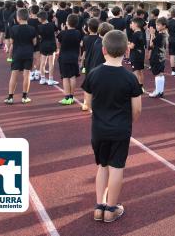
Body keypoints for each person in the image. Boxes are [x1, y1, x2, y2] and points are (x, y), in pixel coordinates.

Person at [81, 30, 142, 223]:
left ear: (103, 49)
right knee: (117, 167)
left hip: (99, 129)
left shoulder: (93, 74)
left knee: (102, 166)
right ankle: (111, 208)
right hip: (120, 129)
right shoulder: (131, 78)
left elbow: (87, 104)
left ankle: (99, 206)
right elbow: (137, 109)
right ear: (126, 51)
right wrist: (128, 122)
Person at [5, 8, 37, 105]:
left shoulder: (14, 28)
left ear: (18, 18)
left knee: (14, 74)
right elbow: (34, 42)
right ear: (28, 17)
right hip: (28, 53)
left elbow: (12, 42)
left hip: (17, 53)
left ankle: (10, 97)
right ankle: (24, 97)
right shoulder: (32, 29)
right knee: (26, 75)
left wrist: (10, 53)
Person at [57, 14, 83, 105]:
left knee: (65, 77)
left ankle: (67, 97)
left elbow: (58, 44)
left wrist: (62, 31)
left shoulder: (62, 33)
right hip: (74, 57)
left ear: (67, 22)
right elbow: (79, 45)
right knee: (72, 77)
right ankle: (71, 96)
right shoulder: (78, 33)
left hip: (64, 57)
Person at [37, 10, 58, 86]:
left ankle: (42, 78)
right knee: (51, 63)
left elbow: (39, 37)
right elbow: (56, 33)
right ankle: (50, 79)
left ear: (40, 18)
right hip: (51, 45)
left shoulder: (39, 27)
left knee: (43, 63)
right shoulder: (52, 25)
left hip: (43, 45)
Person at [148, 17, 167, 98]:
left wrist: (152, 34)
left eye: (158, 25)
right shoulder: (164, 34)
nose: (156, 26)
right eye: (156, 24)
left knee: (157, 74)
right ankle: (160, 91)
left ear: (164, 26)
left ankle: (158, 91)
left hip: (157, 56)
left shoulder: (160, 35)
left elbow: (151, 45)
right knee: (161, 74)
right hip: (162, 56)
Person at [128, 18, 147, 89]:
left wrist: (126, 45)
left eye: (132, 24)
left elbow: (132, 46)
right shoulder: (142, 33)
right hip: (141, 54)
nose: (131, 25)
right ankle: (141, 86)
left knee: (135, 72)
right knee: (140, 71)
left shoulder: (135, 34)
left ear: (135, 25)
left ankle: (136, 87)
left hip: (135, 55)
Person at [27, 5, 41, 81]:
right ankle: (37, 73)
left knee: (31, 58)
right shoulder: (40, 21)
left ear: (31, 11)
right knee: (38, 58)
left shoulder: (28, 21)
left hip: (30, 41)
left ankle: (32, 73)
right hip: (38, 40)